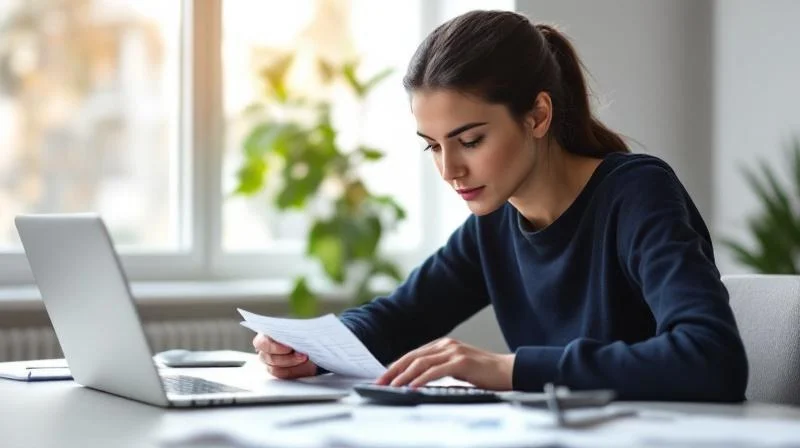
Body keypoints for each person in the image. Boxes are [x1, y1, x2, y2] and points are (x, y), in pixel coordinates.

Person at [253, 10, 748, 402]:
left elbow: (710, 358)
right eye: (432, 145)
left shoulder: (636, 193)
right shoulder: (496, 223)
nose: (449, 170)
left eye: (469, 140)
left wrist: (506, 368)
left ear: (537, 115)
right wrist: (309, 351)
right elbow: (397, 318)